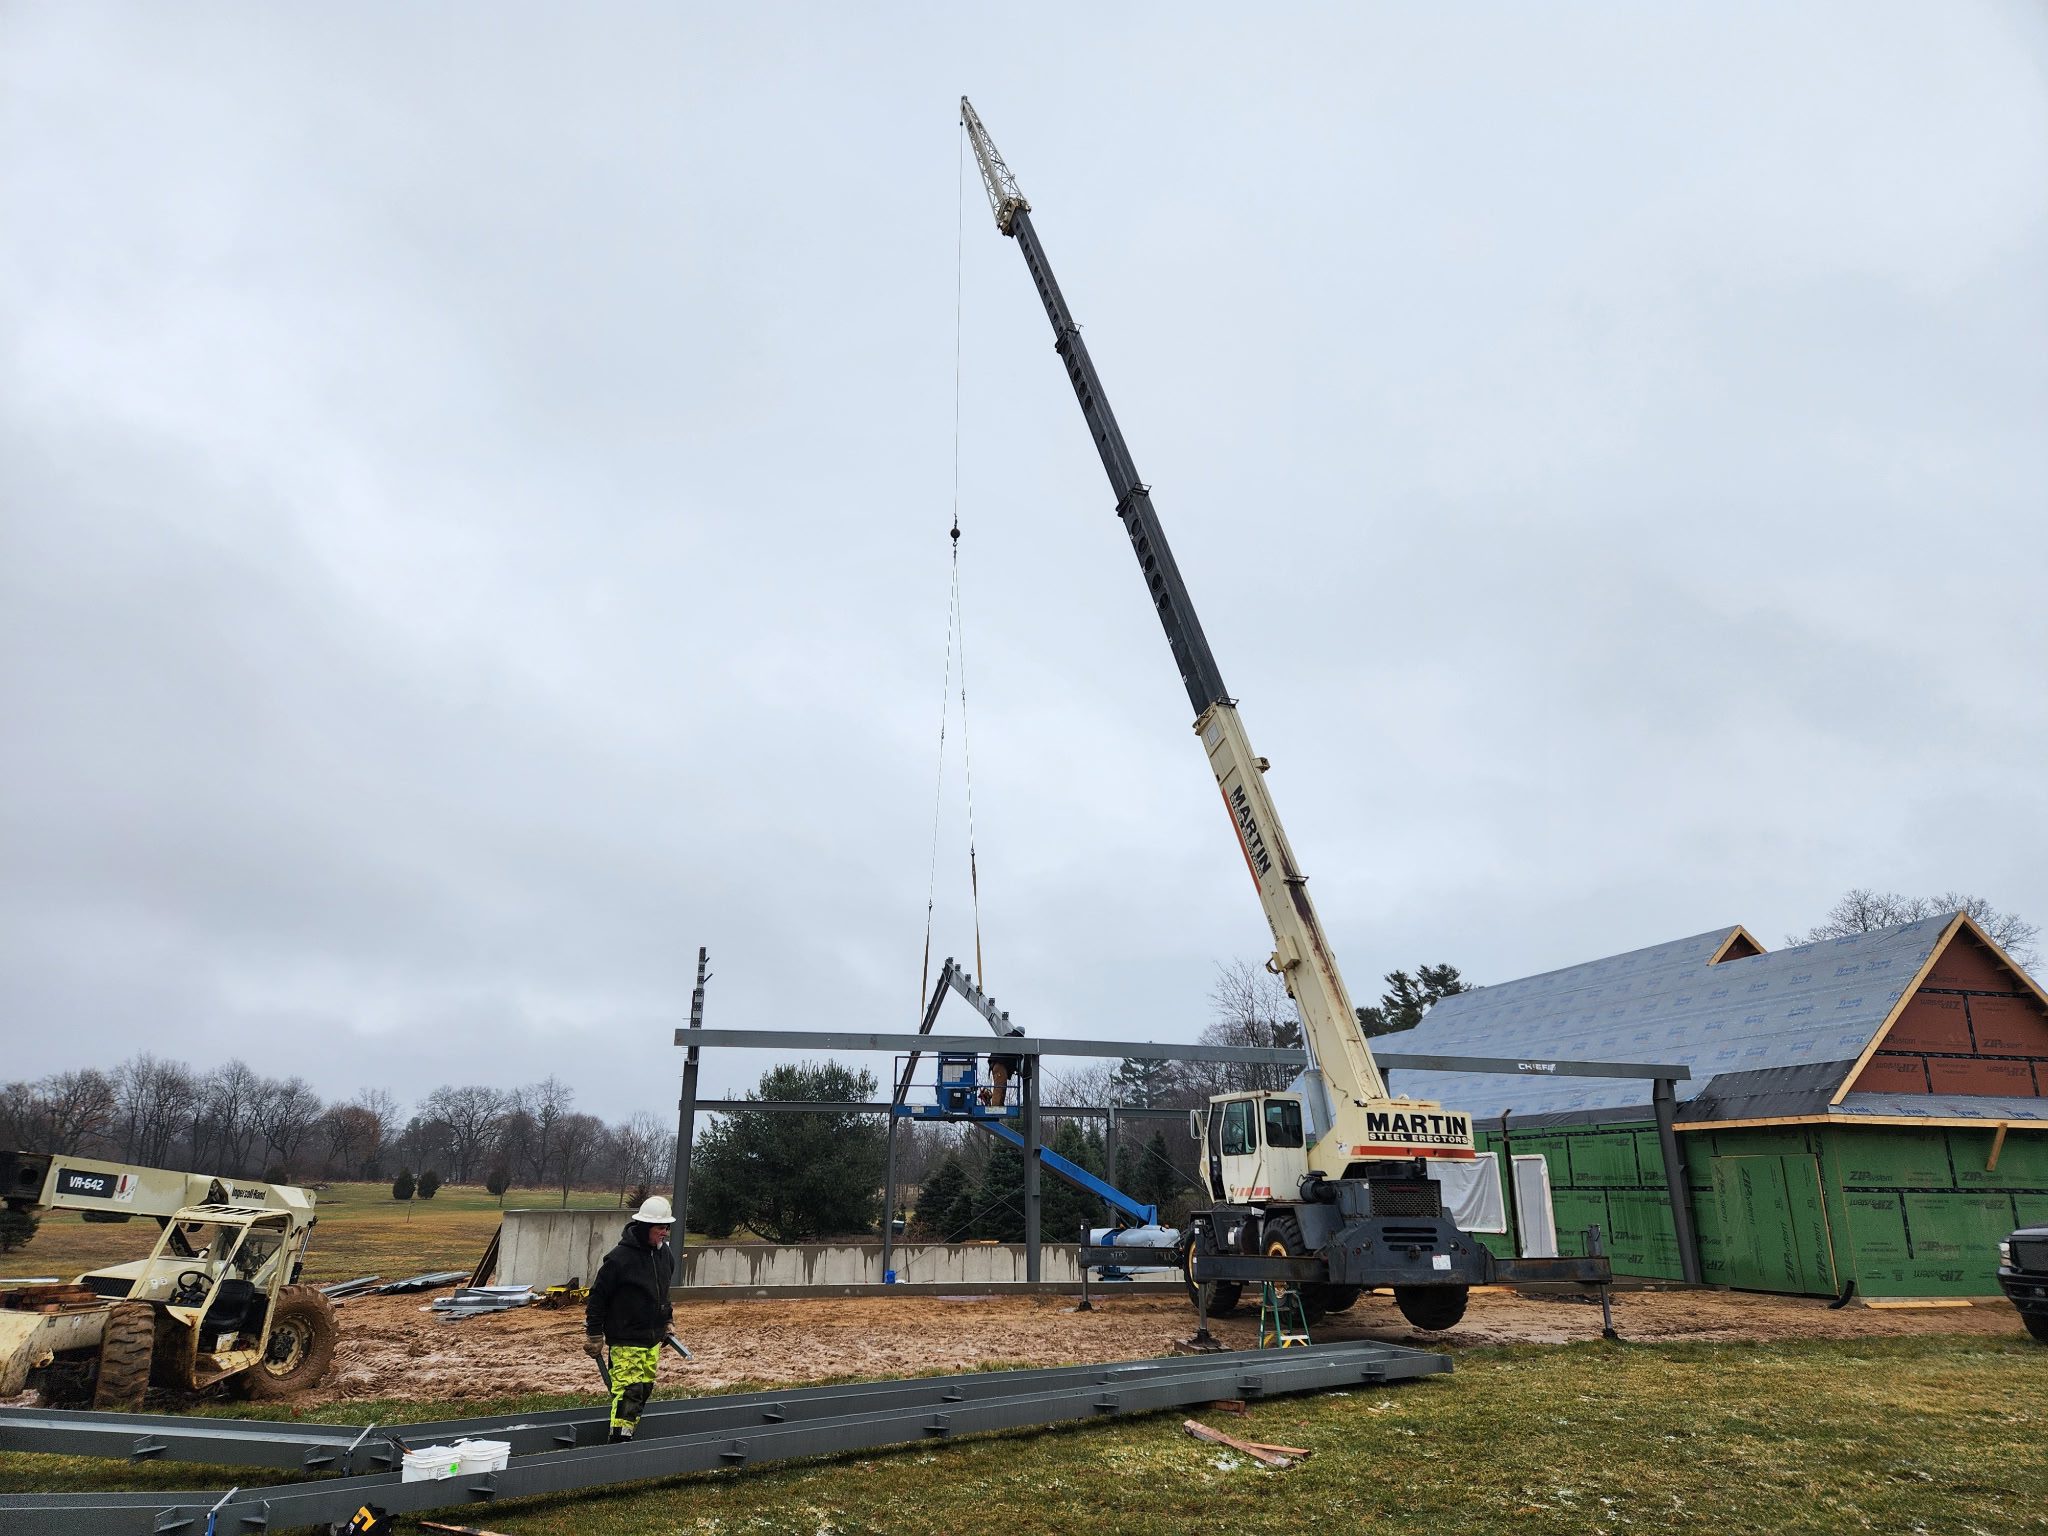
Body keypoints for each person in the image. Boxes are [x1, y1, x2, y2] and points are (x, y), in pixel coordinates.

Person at [583, 1194, 677, 1442]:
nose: (665, 1232)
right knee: (628, 1392)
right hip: (626, 1339)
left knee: (644, 1389)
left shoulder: (664, 1255)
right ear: (646, 1227)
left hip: (652, 1340)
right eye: (660, 1228)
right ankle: (619, 1444)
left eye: (667, 1227)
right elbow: (597, 1297)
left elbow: (663, 1293)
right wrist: (594, 1334)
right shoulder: (619, 1259)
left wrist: (666, 1321)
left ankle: (629, 1436)